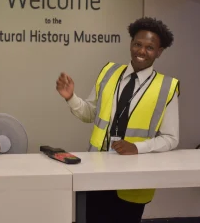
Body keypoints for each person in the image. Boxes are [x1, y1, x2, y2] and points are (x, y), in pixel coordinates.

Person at [56, 17, 180, 223]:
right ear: (131, 44)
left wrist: (137, 148)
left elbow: (171, 138)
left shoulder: (167, 87)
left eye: (150, 47)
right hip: (97, 171)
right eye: (138, 44)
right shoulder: (109, 72)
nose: (142, 51)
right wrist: (71, 98)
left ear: (159, 52)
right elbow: (90, 113)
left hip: (134, 178)